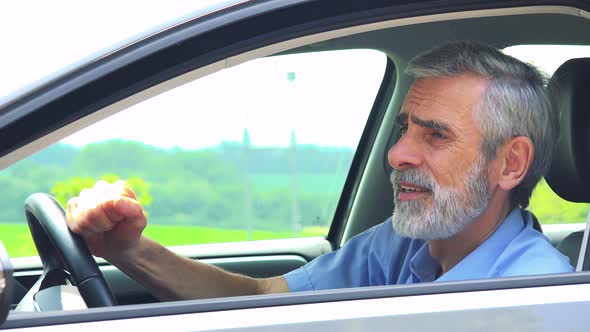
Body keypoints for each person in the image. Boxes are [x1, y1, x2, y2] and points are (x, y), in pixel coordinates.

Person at [65, 41, 573, 300]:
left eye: (435, 134)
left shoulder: (533, 295)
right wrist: (129, 250)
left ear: (510, 164)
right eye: (405, 129)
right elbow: (266, 299)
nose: (398, 154)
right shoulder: (402, 245)